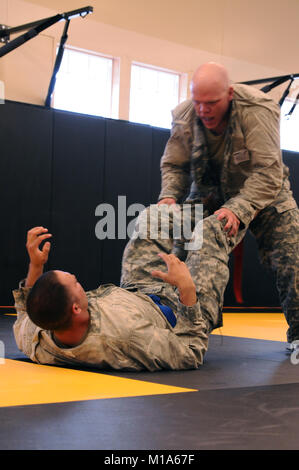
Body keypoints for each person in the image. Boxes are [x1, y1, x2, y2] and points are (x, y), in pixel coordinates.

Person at [158, 62, 299, 346]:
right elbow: (175, 165)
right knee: (180, 251)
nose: (203, 110)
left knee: (292, 256)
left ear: (230, 94)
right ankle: (187, 328)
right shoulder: (186, 115)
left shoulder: (257, 109)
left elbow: (268, 172)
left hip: (264, 193)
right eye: (198, 102)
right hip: (210, 193)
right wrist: (169, 195)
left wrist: (238, 208)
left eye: (211, 103)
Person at [13, 208, 215, 372]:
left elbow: (26, 312)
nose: (79, 283)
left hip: (136, 291)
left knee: (154, 216)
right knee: (213, 229)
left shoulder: (36, 338)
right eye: (75, 283)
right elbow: (189, 353)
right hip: (177, 308)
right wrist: (186, 288)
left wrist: (36, 266)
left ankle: (198, 209)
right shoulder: (127, 338)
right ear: (75, 309)